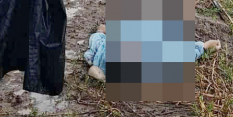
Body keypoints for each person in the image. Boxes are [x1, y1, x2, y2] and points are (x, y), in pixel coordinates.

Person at [83, 23, 221, 82]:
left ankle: (96, 67)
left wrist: (103, 31)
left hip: (105, 57)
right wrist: (204, 45)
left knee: (97, 43)